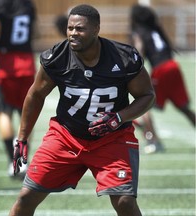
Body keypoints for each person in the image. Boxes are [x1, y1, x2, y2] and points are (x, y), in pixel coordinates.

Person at [9, 4, 155, 216]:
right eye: (70, 28)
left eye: (80, 29)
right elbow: (35, 95)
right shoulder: (57, 57)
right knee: (26, 197)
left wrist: (119, 118)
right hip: (66, 136)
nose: (73, 33)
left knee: (125, 201)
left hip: (112, 138)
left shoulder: (123, 58)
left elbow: (147, 96)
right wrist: (22, 138)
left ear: (96, 29)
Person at [130, 4, 195, 154]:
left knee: (143, 103)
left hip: (161, 70)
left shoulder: (138, 32)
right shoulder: (155, 29)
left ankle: (154, 141)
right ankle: (153, 139)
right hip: (173, 66)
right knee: (183, 107)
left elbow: (140, 51)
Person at [0, 0, 36, 177]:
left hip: (6, 65)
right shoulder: (28, 4)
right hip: (27, 63)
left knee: (4, 112)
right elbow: (34, 33)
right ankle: (21, 160)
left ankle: (12, 161)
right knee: (26, 114)